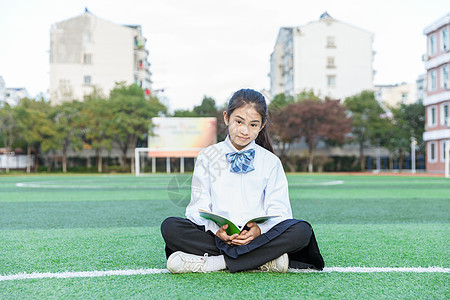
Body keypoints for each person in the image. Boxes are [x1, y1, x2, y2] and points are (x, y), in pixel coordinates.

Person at [160, 88, 324, 273]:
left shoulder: (270, 162)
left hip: (259, 237)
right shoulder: (207, 157)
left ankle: (217, 263)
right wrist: (217, 231)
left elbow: (281, 211)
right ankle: (262, 260)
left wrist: (259, 231)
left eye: (253, 125)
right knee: (171, 227)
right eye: (239, 121)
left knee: (301, 231)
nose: (244, 130)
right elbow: (197, 209)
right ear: (226, 118)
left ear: (262, 126)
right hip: (217, 236)